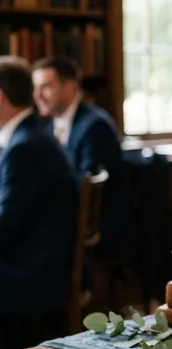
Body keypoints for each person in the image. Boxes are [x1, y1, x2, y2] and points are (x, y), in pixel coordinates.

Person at [0, 58, 78, 349]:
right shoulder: (31, 134)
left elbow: (5, 230)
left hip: (35, 272)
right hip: (37, 258)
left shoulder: (24, 147)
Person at [32, 56, 127, 257]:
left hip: (95, 225)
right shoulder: (47, 125)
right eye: (35, 88)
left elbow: (85, 190)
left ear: (69, 86)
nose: (37, 96)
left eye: (46, 87)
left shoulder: (95, 125)